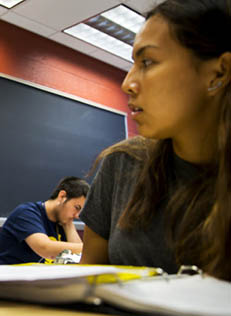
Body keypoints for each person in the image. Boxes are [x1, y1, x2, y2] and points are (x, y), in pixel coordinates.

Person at [80, 0, 230, 280]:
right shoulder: (122, 163)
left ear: (218, 73)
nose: (128, 83)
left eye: (147, 62)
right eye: (133, 63)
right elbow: (88, 282)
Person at [0, 176, 89, 265]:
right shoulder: (26, 213)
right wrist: (90, 249)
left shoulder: (63, 222)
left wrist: (68, 225)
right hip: (6, 279)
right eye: (77, 207)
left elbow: (79, 257)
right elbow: (45, 248)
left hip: (36, 281)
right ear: (62, 196)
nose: (77, 216)